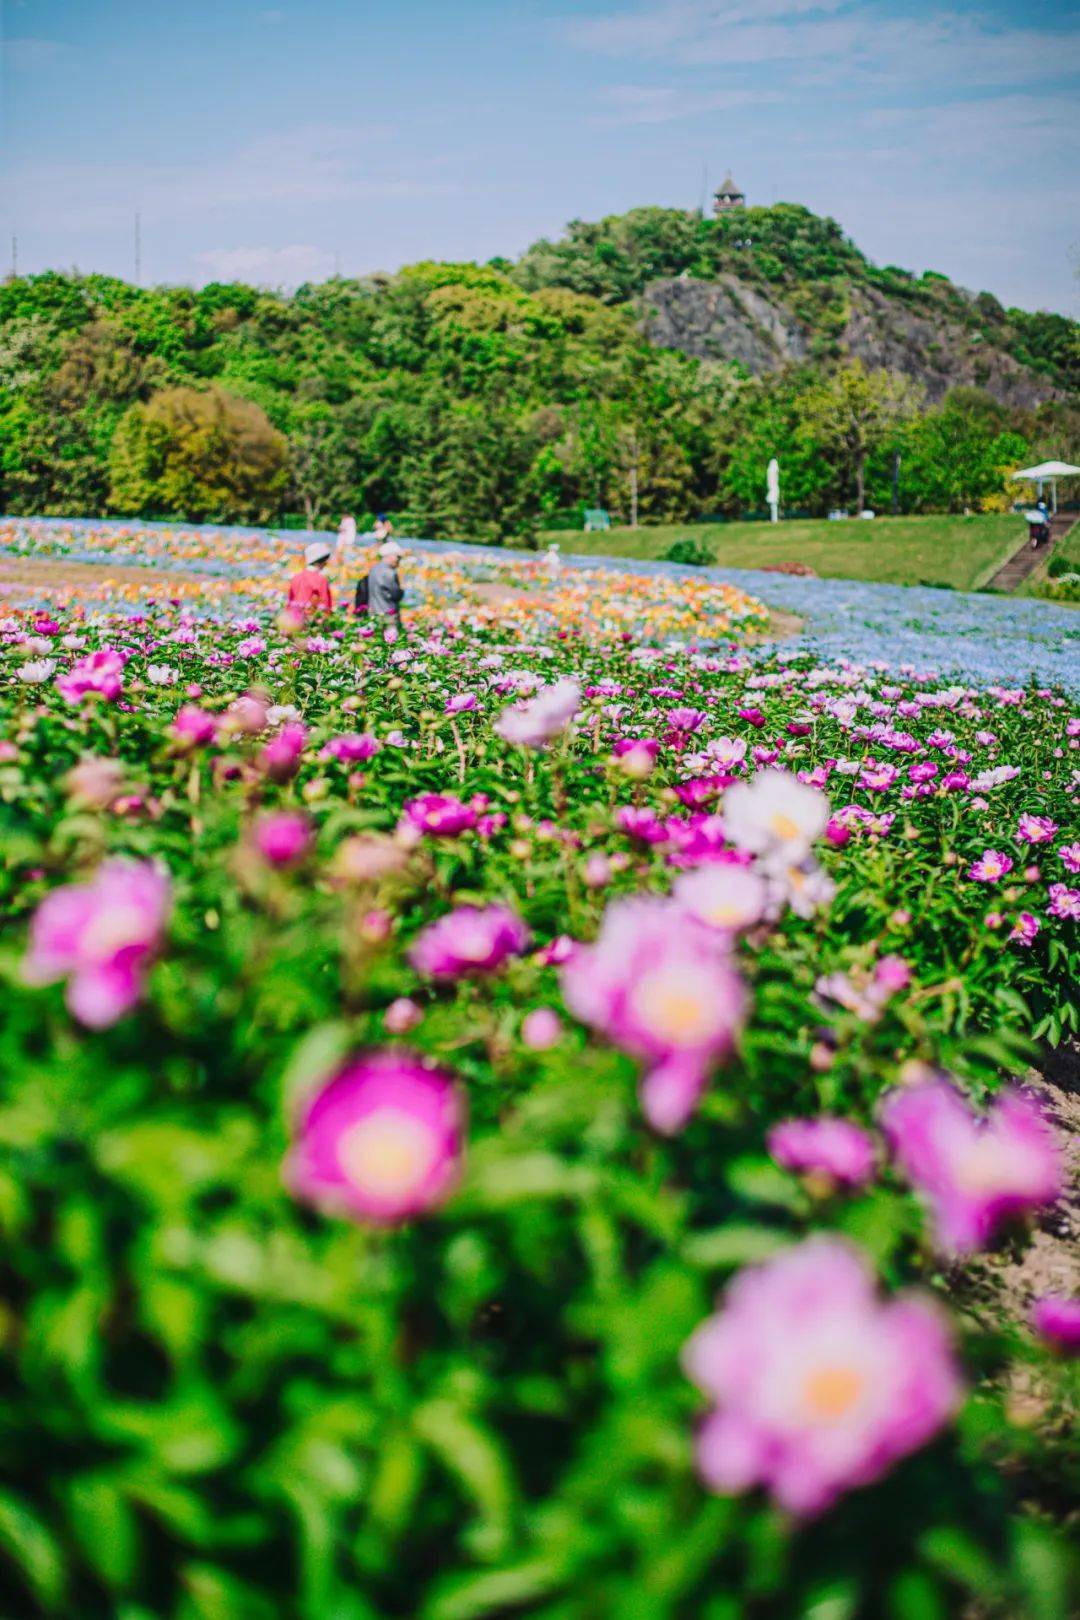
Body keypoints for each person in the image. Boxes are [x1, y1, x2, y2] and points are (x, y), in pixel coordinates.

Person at [366, 539, 405, 637]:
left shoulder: (374, 569)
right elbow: (396, 595)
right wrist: (402, 591)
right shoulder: (390, 573)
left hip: (373, 613)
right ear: (389, 555)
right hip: (388, 615)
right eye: (398, 557)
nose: (399, 560)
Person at [287, 541, 334, 615]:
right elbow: (326, 606)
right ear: (323, 561)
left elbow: (290, 602)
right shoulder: (321, 580)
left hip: (294, 619)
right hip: (311, 619)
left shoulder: (296, 577)